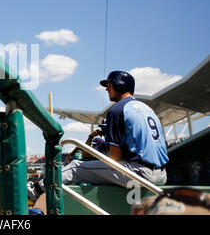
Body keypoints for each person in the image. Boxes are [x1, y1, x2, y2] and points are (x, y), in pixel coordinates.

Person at [28, 71, 169, 206]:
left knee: (75, 167)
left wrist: (94, 159)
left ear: (121, 86)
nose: (107, 88)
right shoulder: (147, 109)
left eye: (110, 84)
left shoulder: (118, 110)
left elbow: (114, 159)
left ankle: (33, 191)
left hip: (140, 174)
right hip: (162, 174)